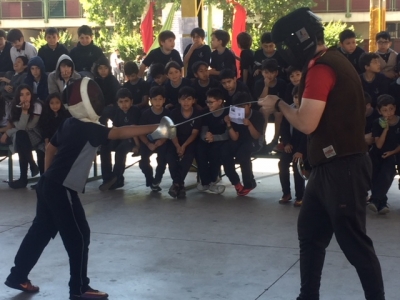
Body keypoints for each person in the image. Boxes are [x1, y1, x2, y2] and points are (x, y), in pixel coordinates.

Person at [259, 7, 385, 300]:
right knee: (311, 234)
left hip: (344, 168)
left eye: (286, 46)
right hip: (326, 167)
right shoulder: (331, 60)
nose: (285, 53)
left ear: (298, 40)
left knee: (354, 244)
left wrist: (278, 104)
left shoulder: (321, 68)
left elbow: (305, 121)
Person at [4, 78, 158, 300]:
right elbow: (122, 131)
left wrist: (48, 179)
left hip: (48, 185)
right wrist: (158, 127)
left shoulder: (69, 123)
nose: (96, 100)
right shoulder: (89, 128)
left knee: (40, 232)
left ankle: (17, 275)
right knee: (78, 236)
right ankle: (79, 288)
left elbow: (49, 150)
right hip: (60, 188)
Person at [0, 84, 44, 189]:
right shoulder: (13, 107)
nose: (25, 97)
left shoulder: (37, 106)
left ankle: (24, 178)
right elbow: (19, 127)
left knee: (20, 136)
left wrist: (8, 133)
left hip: (35, 135)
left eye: (27, 94)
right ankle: (31, 166)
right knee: (20, 137)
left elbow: (27, 126)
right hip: (21, 136)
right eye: (22, 95)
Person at [221, 92, 263, 196]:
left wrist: (249, 125)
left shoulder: (257, 115)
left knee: (243, 154)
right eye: (237, 107)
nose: (240, 109)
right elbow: (234, 137)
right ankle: (235, 182)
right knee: (224, 152)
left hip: (252, 141)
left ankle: (249, 183)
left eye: (243, 106)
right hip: (237, 140)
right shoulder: (233, 114)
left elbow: (256, 136)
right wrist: (229, 124)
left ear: (249, 105)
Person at [99, 88, 141, 191]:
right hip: (120, 137)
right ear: (117, 103)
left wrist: (138, 146)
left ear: (131, 101)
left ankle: (116, 178)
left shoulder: (135, 111)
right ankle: (107, 178)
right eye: (121, 102)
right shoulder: (118, 112)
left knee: (121, 150)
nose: (124, 104)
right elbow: (116, 128)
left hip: (132, 139)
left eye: (126, 101)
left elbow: (135, 130)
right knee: (104, 147)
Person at [368, 94, 400, 215]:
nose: (389, 113)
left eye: (391, 109)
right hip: (377, 154)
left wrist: (392, 152)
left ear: (395, 108)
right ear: (379, 111)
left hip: (393, 154)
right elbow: (379, 145)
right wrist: (385, 129)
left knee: (386, 174)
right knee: (375, 176)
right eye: (385, 110)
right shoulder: (377, 123)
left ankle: (375, 200)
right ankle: (381, 203)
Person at [167, 86, 201, 198]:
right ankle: (180, 185)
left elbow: (194, 133)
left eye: (189, 99)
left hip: (190, 141)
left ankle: (176, 184)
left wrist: (184, 146)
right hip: (175, 139)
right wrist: (177, 145)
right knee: (171, 157)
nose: (186, 102)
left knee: (188, 157)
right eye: (183, 99)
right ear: (179, 100)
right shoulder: (174, 113)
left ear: (193, 100)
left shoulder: (197, 113)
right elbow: (172, 132)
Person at [277, 85, 306, 207]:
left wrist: (301, 151)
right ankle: (286, 193)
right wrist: (286, 143)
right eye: (295, 97)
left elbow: (308, 134)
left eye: (300, 97)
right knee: (282, 163)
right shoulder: (289, 110)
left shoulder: (308, 112)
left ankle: (300, 196)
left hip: (304, 147)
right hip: (291, 145)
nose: (297, 100)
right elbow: (283, 129)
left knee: (297, 165)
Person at [196, 88, 227, 194]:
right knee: (200, 150)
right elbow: (203, 129)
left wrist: (214, 138)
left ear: (219, 101)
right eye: (207, 102)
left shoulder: (227, 112)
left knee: (215, 152)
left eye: (211, 102)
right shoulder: (205, 112)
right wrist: (206, 136)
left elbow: (228, 134)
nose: (208, 104)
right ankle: (206, 182)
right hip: (208, 139)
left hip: (221, 140)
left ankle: (213, 180)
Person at [138, 86, 170, 191]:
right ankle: (150, 178)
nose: (157, 102)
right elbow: (141, 132)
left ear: (164, 100)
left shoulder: (167, 114)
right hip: (148, 141)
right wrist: (148, 143)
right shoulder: (146, 114)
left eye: (160, 99)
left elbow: (170, 131)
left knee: (162, 160)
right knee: (143, 162)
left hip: (162, 141)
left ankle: (157, 180)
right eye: (155, 99)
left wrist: (162, 140)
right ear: (150, 100)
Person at [253, 58, 287, 152]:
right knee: (264, 112)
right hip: (265, 107)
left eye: (272, 72)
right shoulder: (259, 83)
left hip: (278, 107)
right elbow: (260, 101)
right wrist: (266, 86)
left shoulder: (281, 83)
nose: (269, 75)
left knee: (279, 114)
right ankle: (262, 139)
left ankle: (275, 140)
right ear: (262, 72)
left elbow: (283, 101)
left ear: (276, 73)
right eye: (266, 72)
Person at [92, 57, 120, 125]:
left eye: (105, 68)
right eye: (100, 68)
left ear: (109, 69)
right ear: (97, 70)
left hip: (113, 106)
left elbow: (118, 95)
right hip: (99, 108)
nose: (103, 70)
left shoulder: (113, 80)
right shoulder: (95, 81)